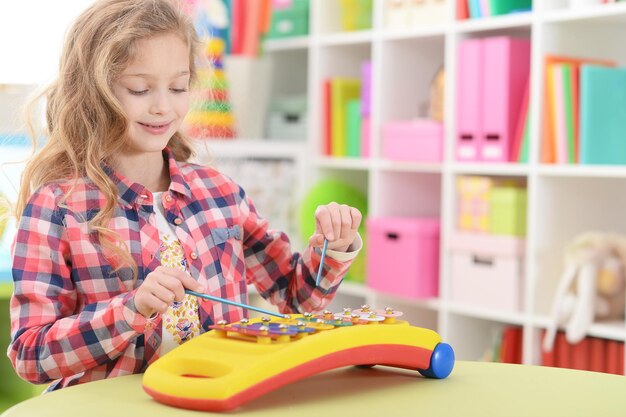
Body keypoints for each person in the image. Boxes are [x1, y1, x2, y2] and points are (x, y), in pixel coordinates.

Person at [7, 0, 362, 391]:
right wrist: (131, 310)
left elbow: (297, 299)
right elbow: (30, 356)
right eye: (140, 89)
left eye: (178, 87)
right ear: (93, 91)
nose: (163, 106)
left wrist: (335, 246)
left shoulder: (220, 193)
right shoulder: (57, 209)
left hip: (215, 398)